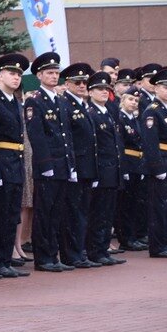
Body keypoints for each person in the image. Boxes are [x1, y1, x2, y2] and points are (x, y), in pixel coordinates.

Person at [24, 52, 77, 272]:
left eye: (56, 73)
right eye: (50, 73)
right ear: (39, 75)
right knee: (44, 212)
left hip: (63, 164)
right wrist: (45, 164)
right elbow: (37, 135)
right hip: (47, 166)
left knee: (57, 212)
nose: (54, 77)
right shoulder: (35, 101)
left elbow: (67, 135)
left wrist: (71, 163)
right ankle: (43, 257)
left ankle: (53, 254)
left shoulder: (61, 101)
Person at [0, 54, 31, 278]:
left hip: (15, 162)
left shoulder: (15, 101)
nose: (16, 78)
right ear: (1, 75)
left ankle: (6, 258)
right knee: (1, 213)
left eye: (18, 75)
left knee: (12, 212)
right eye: (11, 73)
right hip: (2, 160)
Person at [59, 63, 100, 269]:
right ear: (67, 84)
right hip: (75, 167)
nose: (82, 85)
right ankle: (71, 254)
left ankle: (79, 251)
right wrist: (72, 167)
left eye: (85, 82)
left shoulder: (83, 105)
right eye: (78, 82)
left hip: (87, 167)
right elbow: (69, 139)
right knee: (73, 213)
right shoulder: (66, 104)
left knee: (82, 212)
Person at [84, 72, 125, 266]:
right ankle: (94, 250)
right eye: (99, 89)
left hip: (112, 170)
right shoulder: (90, 112)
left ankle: (103, 248)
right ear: (90, 91)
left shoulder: (107, 111)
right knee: (98, 213)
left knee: (108, 212)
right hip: (100, 170)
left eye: (106, 89)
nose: (103, 92)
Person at [139, 68, 167, 258]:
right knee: (159, 206)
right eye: (165, 87)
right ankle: (158, 246)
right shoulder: (153, 112)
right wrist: (158, 168)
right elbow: (150, 143)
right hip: (162, 163)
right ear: (156, 89)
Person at [115, 92, 149, 252]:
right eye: (130, 99)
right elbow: (121, 145)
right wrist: (124, 168)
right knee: (125, 205)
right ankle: (126, 238)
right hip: (127, 163)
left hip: (137, 164)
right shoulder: (120, 119)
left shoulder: (134, 120)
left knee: (135, 203)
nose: (134, 102)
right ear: (122, 101)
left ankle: (133, 236)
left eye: (136, 100)